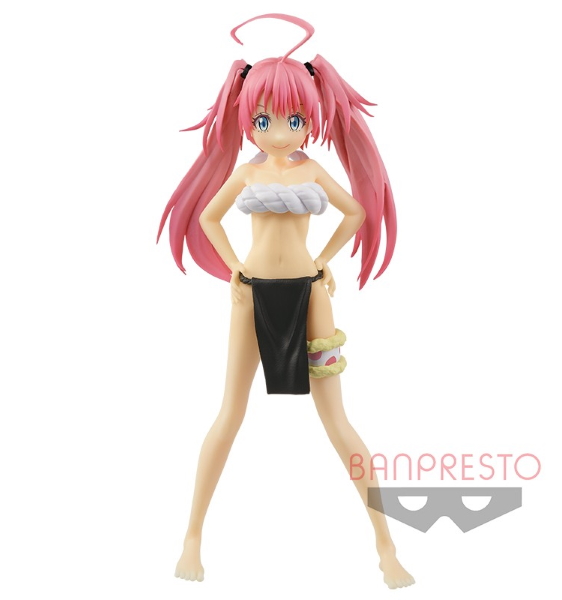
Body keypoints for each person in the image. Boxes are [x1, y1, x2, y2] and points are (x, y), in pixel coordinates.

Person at [157, 13, 414, 589]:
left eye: (294, 120)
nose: (279, 133)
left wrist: (323, 260)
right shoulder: (246, 173)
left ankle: (386, 545)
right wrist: (235, 266)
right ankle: (192, 535)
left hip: (311, 298)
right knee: (229, 413)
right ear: (247, 118)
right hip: (250, 297)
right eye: (264, 119)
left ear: (310, 119)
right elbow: (208, 217)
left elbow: (356, 212)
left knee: (338, 420)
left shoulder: (312, 169)